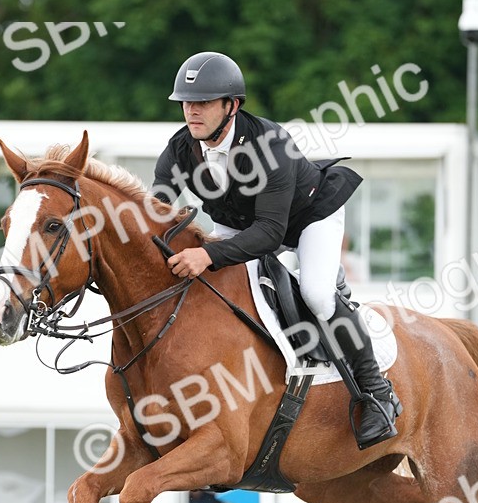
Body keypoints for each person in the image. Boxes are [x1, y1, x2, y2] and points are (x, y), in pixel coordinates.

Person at [152, 51, 401, 447]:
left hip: (307, 219)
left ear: (231, 106)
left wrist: (207, 255)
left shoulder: (270, 144)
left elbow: (269, 234)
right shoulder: (180, 150)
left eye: (202, 102)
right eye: (186, 102)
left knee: (316, 294)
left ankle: (378, 394)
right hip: (238, 225)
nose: (191, 111)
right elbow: (157, 213)